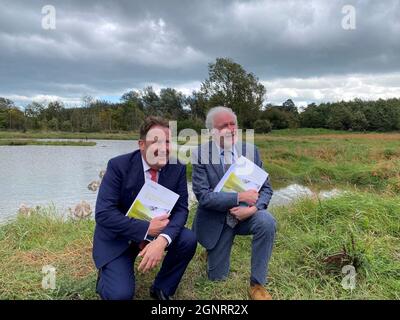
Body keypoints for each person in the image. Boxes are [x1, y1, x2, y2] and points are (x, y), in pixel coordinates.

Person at [93, 116, 197, 300]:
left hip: (157, 233)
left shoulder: (177, 167)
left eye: (167, 141)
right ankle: (106, 275)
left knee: (187, 239)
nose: (164, 148)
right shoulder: (118, 166)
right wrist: (146, 228)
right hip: (120, 237)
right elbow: (103, 214)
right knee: (120, 295)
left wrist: (162, 239)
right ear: (142, 145)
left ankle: (162, 288)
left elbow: (181, 210)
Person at [191, 106, 276, 300]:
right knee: (217, 278)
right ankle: (211, 251)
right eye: (224, 126)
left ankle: (257, 284)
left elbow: (267, 189)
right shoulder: (200, 154)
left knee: (267, 221)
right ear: (212, 131)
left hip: (247, 216)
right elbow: (203, 197)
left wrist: (253, 208)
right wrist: (239, 197)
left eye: (233, 124)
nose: (231, 129)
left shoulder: (250, 151)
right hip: (217, 219)